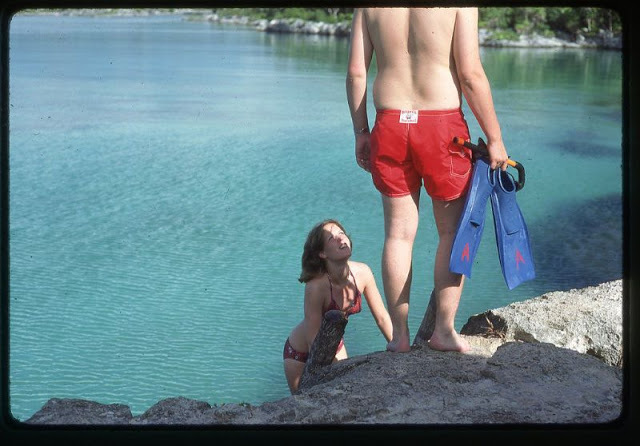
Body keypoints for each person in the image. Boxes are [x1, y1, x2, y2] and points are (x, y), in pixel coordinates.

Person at [346, 7, 509, 353]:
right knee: (451, 232)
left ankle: (399, 337)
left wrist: (361, 132)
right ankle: (444, 331)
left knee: (398, 235)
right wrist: (494, 138)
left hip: (389, 123)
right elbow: (470, 75)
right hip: (441, 127)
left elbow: (356, 74)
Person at [283, 219, 393, 393]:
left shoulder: (363, 272)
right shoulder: (316, 286)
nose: (341, 238)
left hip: (334, 343)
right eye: (331, 238)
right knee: (303, 401)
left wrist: (399, 348)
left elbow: (382, 317)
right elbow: (313, 339)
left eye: (341, 233)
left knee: (344, 392)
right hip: (299, 353)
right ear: (322, 253)